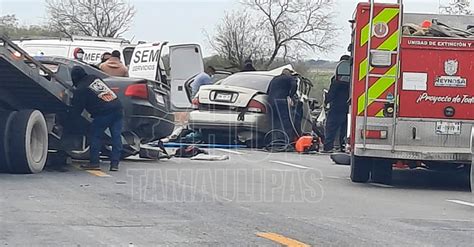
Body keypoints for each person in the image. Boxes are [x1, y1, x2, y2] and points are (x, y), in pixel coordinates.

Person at [70, 66, 124, 171]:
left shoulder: (81, 89)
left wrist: (71, 120)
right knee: (116, 137)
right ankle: (114, 164)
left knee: (95, 136)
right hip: (118, 108)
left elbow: (77, 110)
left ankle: (94, 163)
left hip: (104, 113)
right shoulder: (94, 78)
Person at [322, 56, 351, 153]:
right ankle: (342, 146)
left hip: (336, 107)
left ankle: (328, 147)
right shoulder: (353, 80)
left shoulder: (336, 81)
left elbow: (331, 94)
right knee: (344, 128)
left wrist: (326, 101)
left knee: (331, 127)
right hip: (348, 107)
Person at [267, 68, 298, 142]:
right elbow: (294, 85)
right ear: (289, 73)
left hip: (271, 101)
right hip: (281, 100)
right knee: (285, 121)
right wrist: (291, 95)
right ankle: (287, 141)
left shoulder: (274, 79)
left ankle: (275, 141)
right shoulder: (289, 78)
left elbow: (268, 90)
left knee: (275, 122)